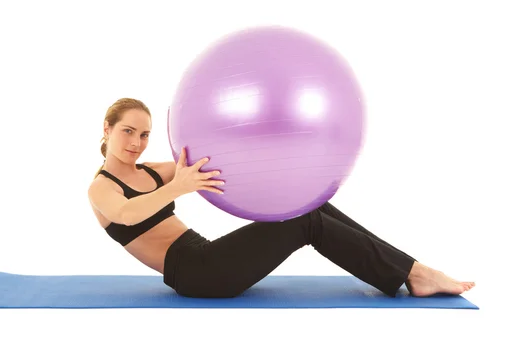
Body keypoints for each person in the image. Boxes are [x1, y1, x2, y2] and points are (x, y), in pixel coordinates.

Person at [87, 98, 475, 299]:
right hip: (195, 275)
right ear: (107, 128)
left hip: (208, 257)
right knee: (305, 223)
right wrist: (178, 187)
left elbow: (210, 159)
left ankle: (412, 269)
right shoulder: (101, 187)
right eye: (127, 131)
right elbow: (126, 211)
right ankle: (416, 275)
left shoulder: (152, 171)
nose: (136, 143)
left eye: (144, 134)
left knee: (309, 207)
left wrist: (261, 143)